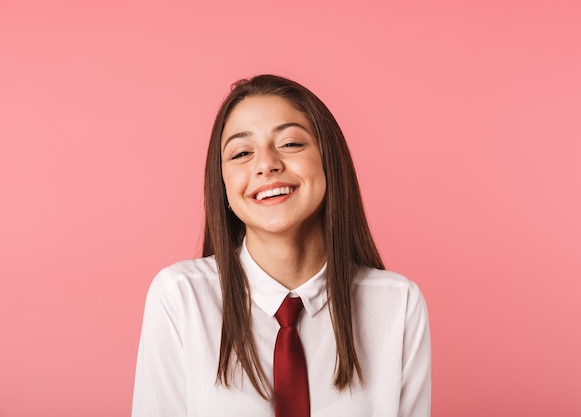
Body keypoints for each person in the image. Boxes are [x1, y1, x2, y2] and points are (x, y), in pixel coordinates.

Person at [132, 74, 431, 417]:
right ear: (224, 185)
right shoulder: (180, 297)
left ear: (328, 161)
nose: (266, 164)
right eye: (242, 153)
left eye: (290, 143)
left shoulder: (398, 302)